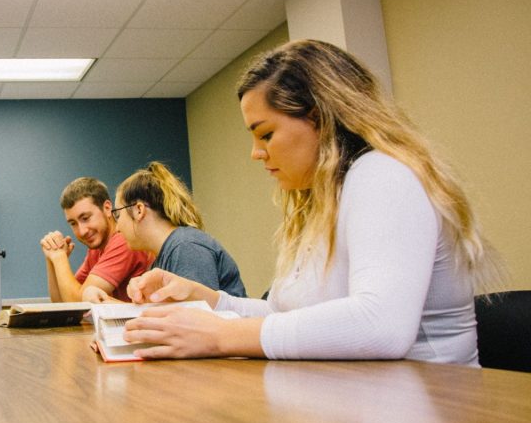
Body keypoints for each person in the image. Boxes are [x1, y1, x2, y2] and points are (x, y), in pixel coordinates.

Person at [123, 39, 500, 366]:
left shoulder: (383, 174)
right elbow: (285, 316)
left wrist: (221, 335)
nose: (256, 153)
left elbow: (381, 324)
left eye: (266, 134)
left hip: (435, 412)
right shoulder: (323, 200)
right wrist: (210, 301)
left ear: (320, 118)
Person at [113, 161, 246, 298]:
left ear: (139, 210)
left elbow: (198, 316)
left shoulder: (185, 246)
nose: (117, 228)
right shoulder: (164, 257)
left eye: (117, 215)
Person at [41, 177, 154, 303]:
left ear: (107, 208)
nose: (82, 231)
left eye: (85, 218)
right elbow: (60, 303)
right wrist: (51, 258)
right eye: (73, 223)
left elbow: (78, 303)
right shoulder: (96, 249)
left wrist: (59, 257)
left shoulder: (123, 241)